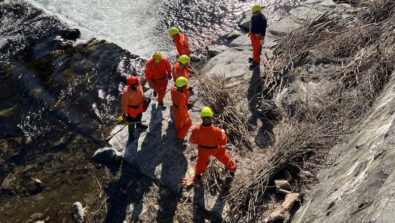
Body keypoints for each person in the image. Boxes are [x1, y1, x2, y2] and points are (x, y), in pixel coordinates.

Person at [181, 107, 235, 186]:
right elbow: (224, 142)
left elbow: (193, 141)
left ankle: (198, 174)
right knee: (224, 157)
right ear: (211, 118)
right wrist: (223, 133)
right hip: (216, 150)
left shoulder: (196, 130)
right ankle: (232, 168)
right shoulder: (218, 131)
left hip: (203, 151)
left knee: (200, 162)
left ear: (201, 118)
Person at [171, 77, 192, 142]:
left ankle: (179, 133)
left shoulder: (173, 89)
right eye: (185, 85)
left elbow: (179, 87)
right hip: (180, 111)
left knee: (178, 124)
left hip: (175, 108)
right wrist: (185, 118)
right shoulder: (182, 97)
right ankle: (180, 137)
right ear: (183, 86)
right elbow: (181, 110)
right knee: (188, 123)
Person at [248, 4, 267, 70]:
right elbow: (251, 23)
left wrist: (262, 38)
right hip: (253, 35)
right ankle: (254, 57)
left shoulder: (263, 19)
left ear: (258, 12)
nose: (253, 14)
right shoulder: (253, 16)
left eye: (254, 13)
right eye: (253, 13)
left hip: (258, 37)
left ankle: (256, 61)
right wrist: (250, 31)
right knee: (254, 47)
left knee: (257, 49)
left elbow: (263, 30)